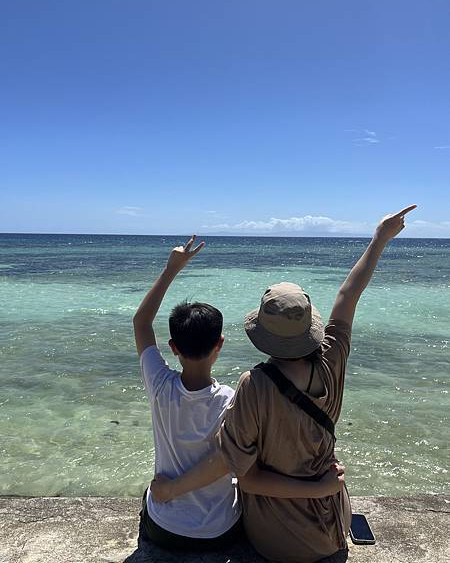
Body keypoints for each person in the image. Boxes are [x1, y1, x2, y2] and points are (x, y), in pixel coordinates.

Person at [150, 206, 417, 562]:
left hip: (274, 538)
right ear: (309, 325)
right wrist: (379, 239)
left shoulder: (253, 385)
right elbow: (348, 295)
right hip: (330, 524)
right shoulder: (332, 359)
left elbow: (247, 479)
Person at [133, 235, 346, 552]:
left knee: (148, 502)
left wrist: (171, 269)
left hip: (165, 528)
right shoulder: (233, 397)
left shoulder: (159, 384)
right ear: (220, 345)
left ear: (173, 347)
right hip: (220, 530)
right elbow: (227, 462)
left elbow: (141, 322)